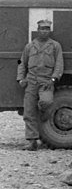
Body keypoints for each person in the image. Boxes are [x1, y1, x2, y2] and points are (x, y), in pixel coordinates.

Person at [17, 19, 64, 150]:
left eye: (47, 29)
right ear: (37, 30)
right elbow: (22, 63)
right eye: (42, 28)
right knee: (29, 112)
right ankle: (32, 141)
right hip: (31, 81)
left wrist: (53, 79)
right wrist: (20, 78)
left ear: (50, 31)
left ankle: (43, 113)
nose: (44, 31)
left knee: (47, 102)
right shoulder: (30, 46)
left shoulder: (55, 46)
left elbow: (59, 64)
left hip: (46, 81)